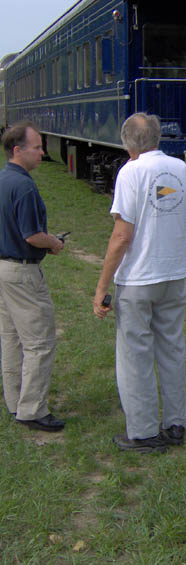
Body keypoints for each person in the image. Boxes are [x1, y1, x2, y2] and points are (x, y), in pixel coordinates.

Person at [93, 113, 186, 453]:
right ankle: (175, 423)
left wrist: (102, 287)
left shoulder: (131, 173)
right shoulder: (180, 169)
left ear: (127, 143)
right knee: (171, 349)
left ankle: (143, 433)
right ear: (158, 138)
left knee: (135, 356)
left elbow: (122, 236)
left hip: (138, 279)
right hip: (173, 274)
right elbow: (184, 213)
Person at [0, 123, 65, 431]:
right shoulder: (24, 186)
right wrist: (54, 242)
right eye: (37, 147)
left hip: (3, 269)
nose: (42, 152)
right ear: (18, 150)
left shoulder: (3, 179)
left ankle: (15, 402)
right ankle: (33, 410)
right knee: (39, 341)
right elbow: (32, 236)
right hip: (22, 272)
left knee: (11, 338)